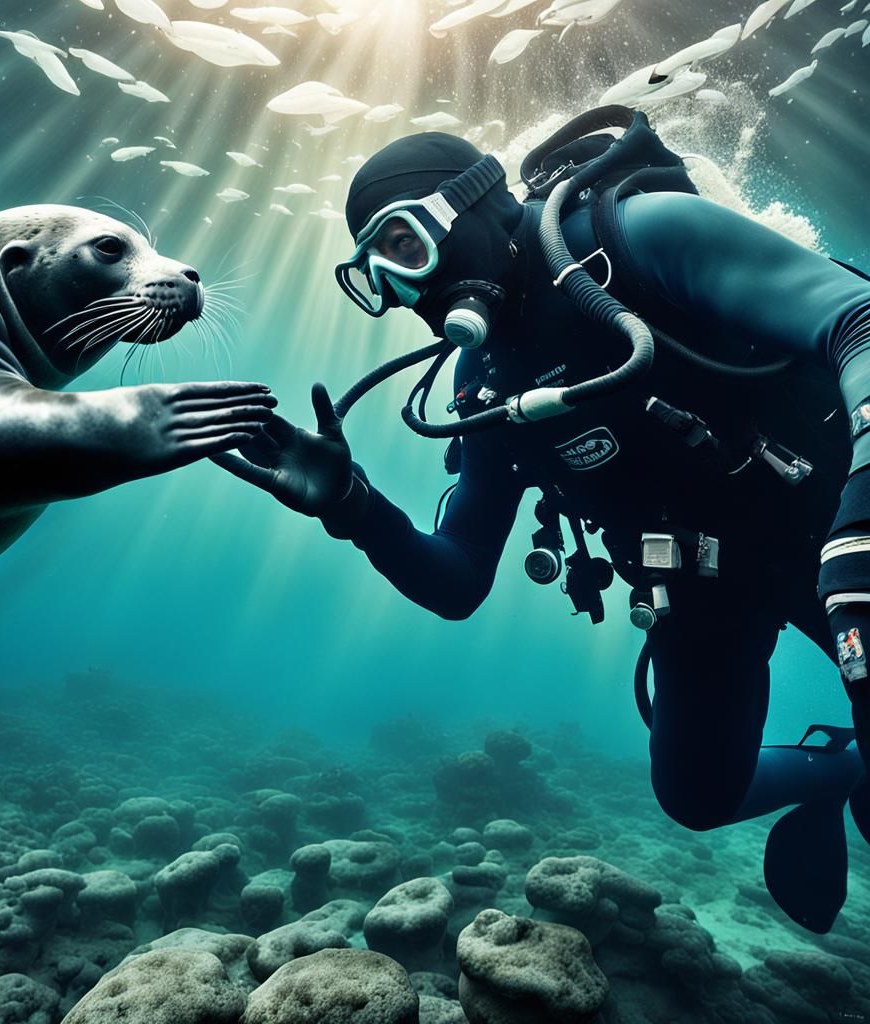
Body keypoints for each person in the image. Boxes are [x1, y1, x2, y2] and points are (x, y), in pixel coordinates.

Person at [213, 122, 870, 933]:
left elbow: (859, 319)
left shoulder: (638, 236)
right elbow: (457, 581)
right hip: (702, 586)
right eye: (374, 279)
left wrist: (863, 514)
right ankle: (840, 767)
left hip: (841, 524)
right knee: (698, 796)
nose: (404, 291)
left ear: (478, 204)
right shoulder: (485, 386)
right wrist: (356, 508)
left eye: (404, 247)